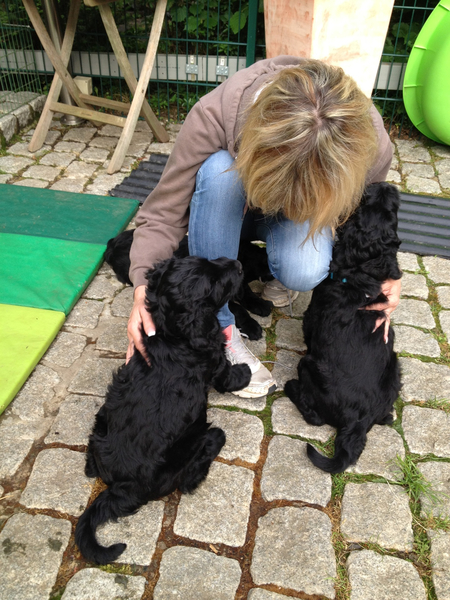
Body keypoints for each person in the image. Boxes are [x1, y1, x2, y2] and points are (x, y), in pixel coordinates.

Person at [126, 56, 401, 399]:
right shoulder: (215, 113)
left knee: (305, 270)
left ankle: (280, 267)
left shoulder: (370, 144)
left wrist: (383, 275)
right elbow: (164, 212)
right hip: (229, 209)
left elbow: (368, 217)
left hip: (295, 215)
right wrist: (144, 288)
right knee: (220, 172)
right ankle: (221, 326)